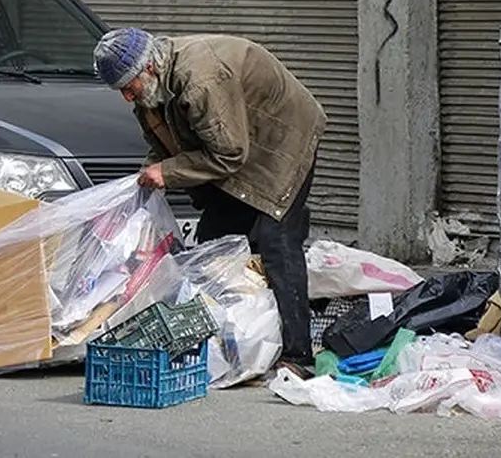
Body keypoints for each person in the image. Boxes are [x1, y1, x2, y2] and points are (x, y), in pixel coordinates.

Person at [93, 27, 326, 373]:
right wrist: (148, 177)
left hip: (281, 142)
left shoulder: (200, 80)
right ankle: (230, 343)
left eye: (130, 87)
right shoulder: (150, 95)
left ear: (149, 69)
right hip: (235, 145)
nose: (127, 96)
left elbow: (230, 154)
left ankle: (297, 355)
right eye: (121, 91)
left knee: (277, 240)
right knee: (213, 243)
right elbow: (164, 145)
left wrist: (168, 173)